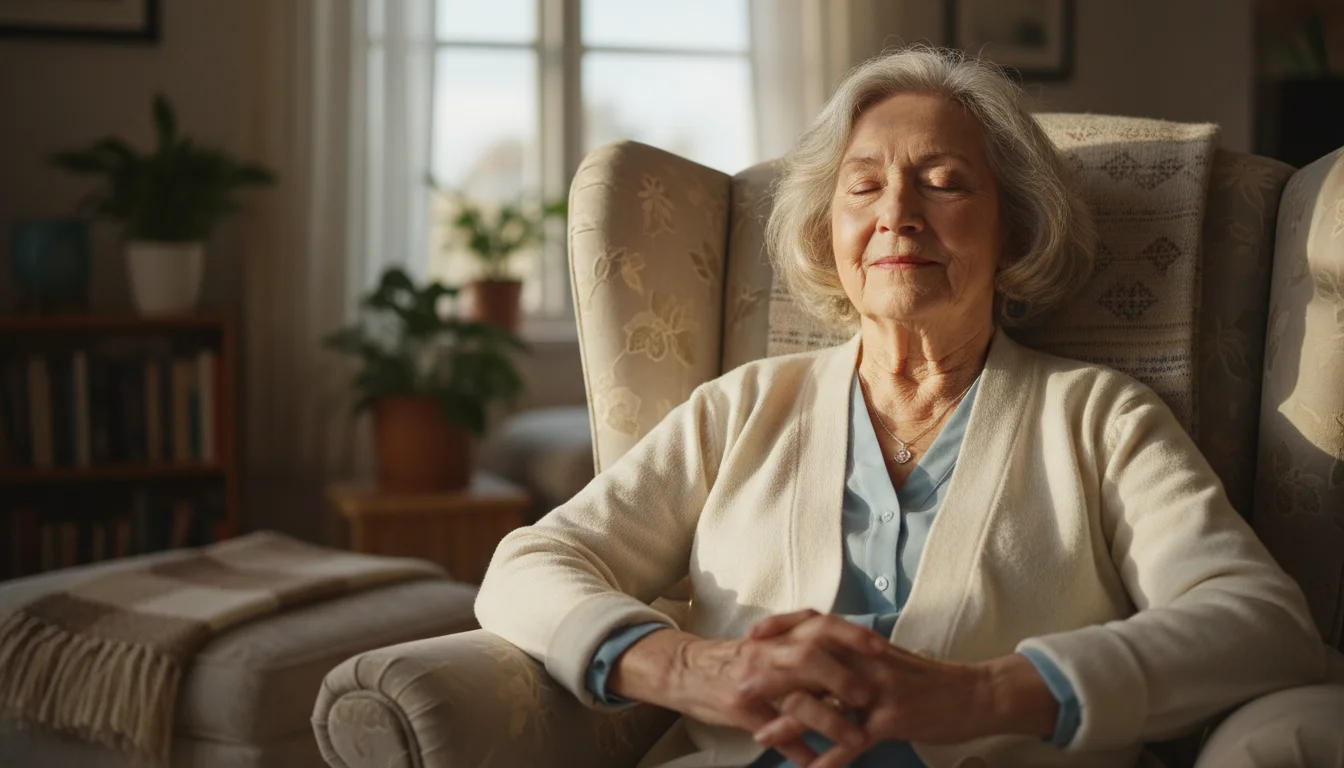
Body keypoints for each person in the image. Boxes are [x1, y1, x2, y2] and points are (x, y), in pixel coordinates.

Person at [475, 48, 1328, 767]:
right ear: (827, 230)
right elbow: (530, 565)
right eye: (863, 186)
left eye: (945, 183)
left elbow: (1260, 623)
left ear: (1015, 228)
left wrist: (986, 692)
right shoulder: (741, 408)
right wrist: (696, 668)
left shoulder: (1100, 418)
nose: (897, 214)